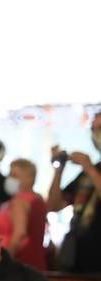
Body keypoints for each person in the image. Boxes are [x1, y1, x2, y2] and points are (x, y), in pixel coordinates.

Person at [47, 111, 101, 272]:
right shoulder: (88, 172)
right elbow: (54, 205)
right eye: (94, 129)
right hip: (78, 256)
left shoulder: (91, 170)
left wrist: (89, 169)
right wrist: (58, 170)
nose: (97, 134)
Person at [0, 159, 47, 271]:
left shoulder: (19, 201)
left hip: (18, 264)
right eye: (9, 174)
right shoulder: (37, 200)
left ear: (29, 179)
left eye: (14, 175)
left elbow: (19, 234)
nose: (9, 178)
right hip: (34, 262)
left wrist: (4, 261)